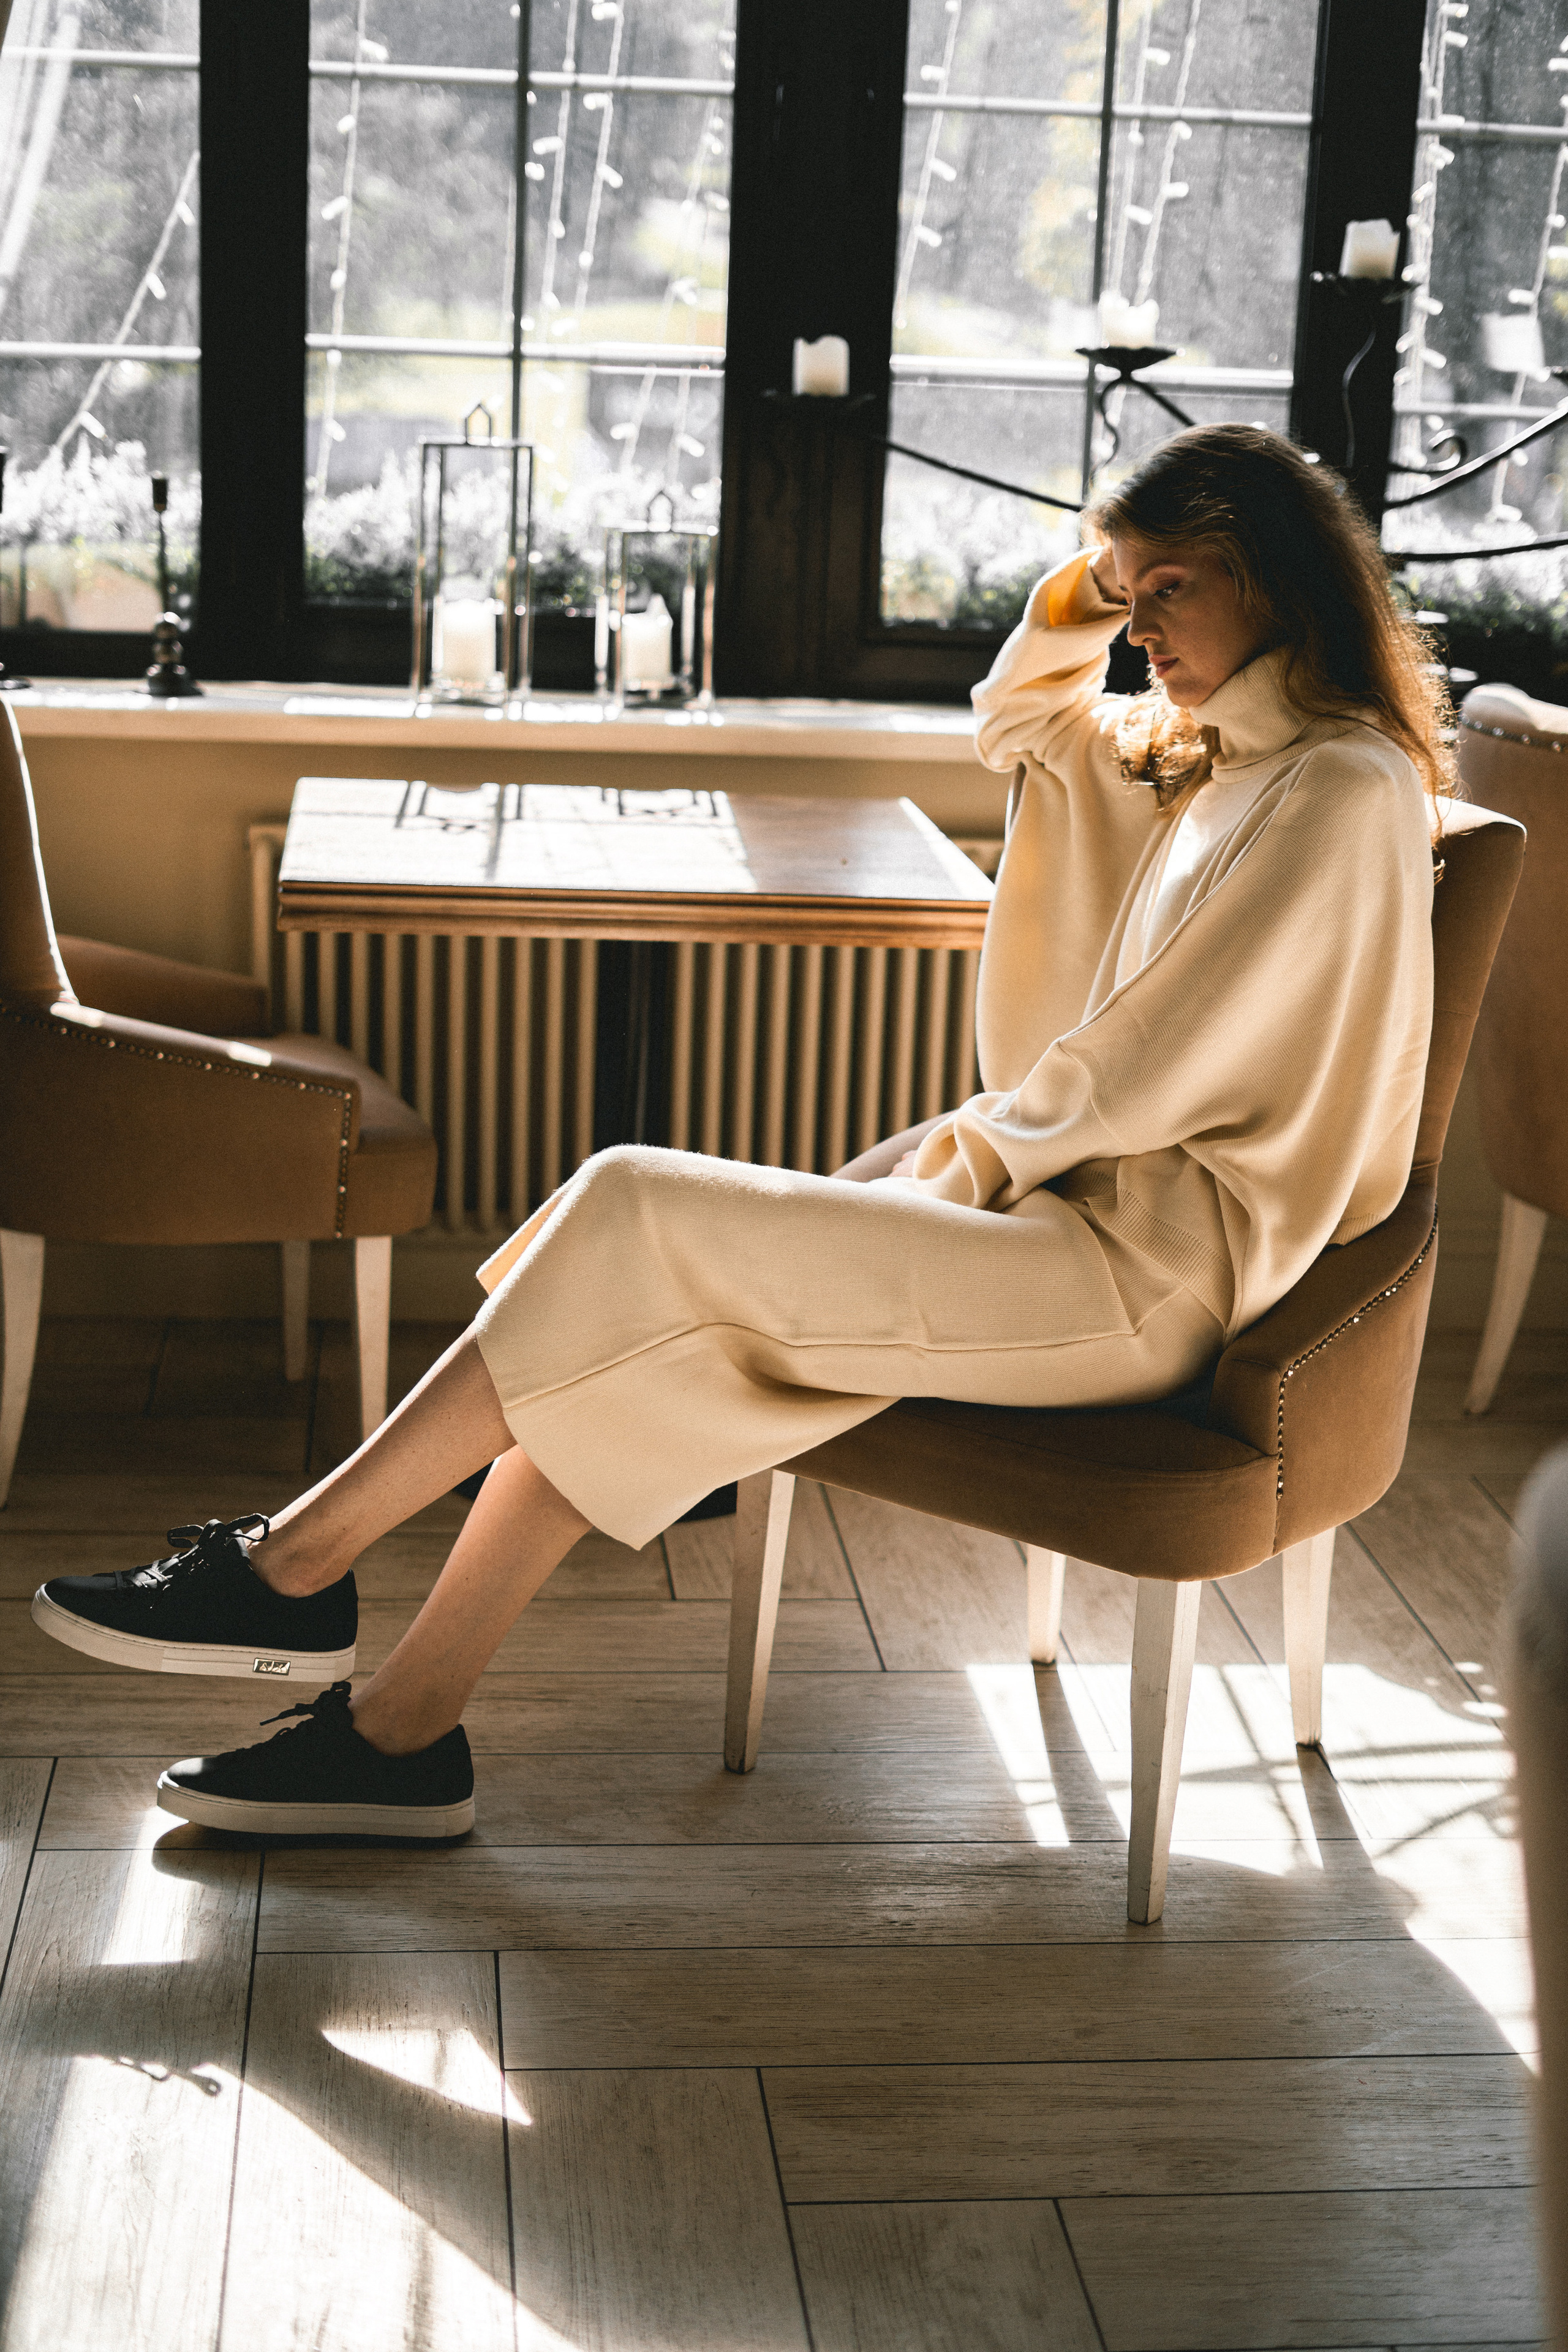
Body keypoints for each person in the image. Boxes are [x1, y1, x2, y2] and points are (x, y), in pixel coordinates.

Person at [31, 424, 1449, 1839]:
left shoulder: (1336, 787)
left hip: (1145, 1282)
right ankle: (398, 1732)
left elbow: (1149, 1065)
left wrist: (946, 1165)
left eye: (1170, 594)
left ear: (1273, 578)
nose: (1137, 636)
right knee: (615, 1312)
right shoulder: (1214, 759)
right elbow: (1024, 723)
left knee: (627, 1204)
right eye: (1125, 601)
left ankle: (295, 1565)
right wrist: (1092, 583)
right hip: (1064, 1227)